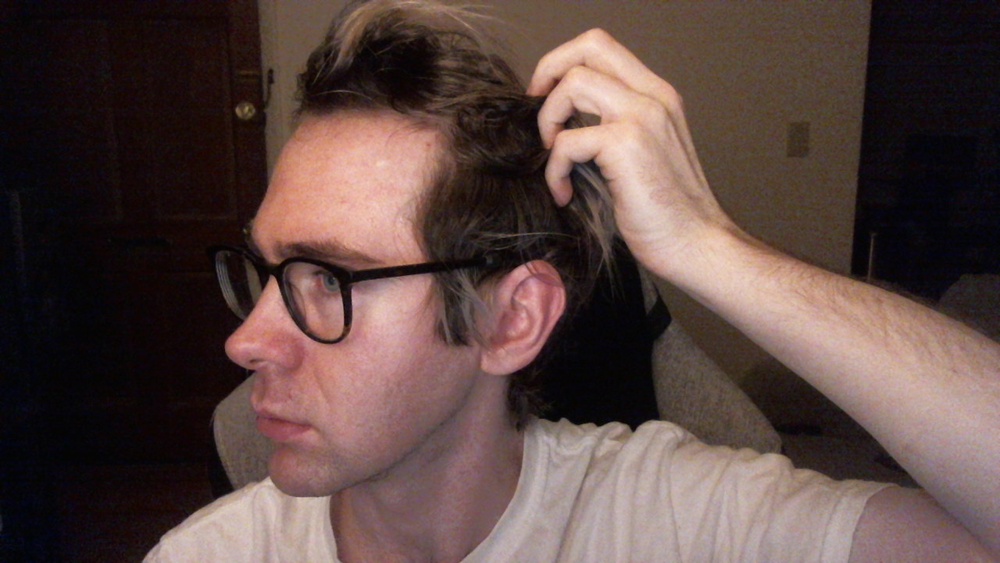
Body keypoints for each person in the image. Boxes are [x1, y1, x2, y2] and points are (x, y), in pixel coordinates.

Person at [146, 1, 1000, 561]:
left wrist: (710, 247)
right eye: (267, 270)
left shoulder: (674, 521)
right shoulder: (212, 554)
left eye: (328, 277)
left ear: (512, 319)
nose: (246, 339)